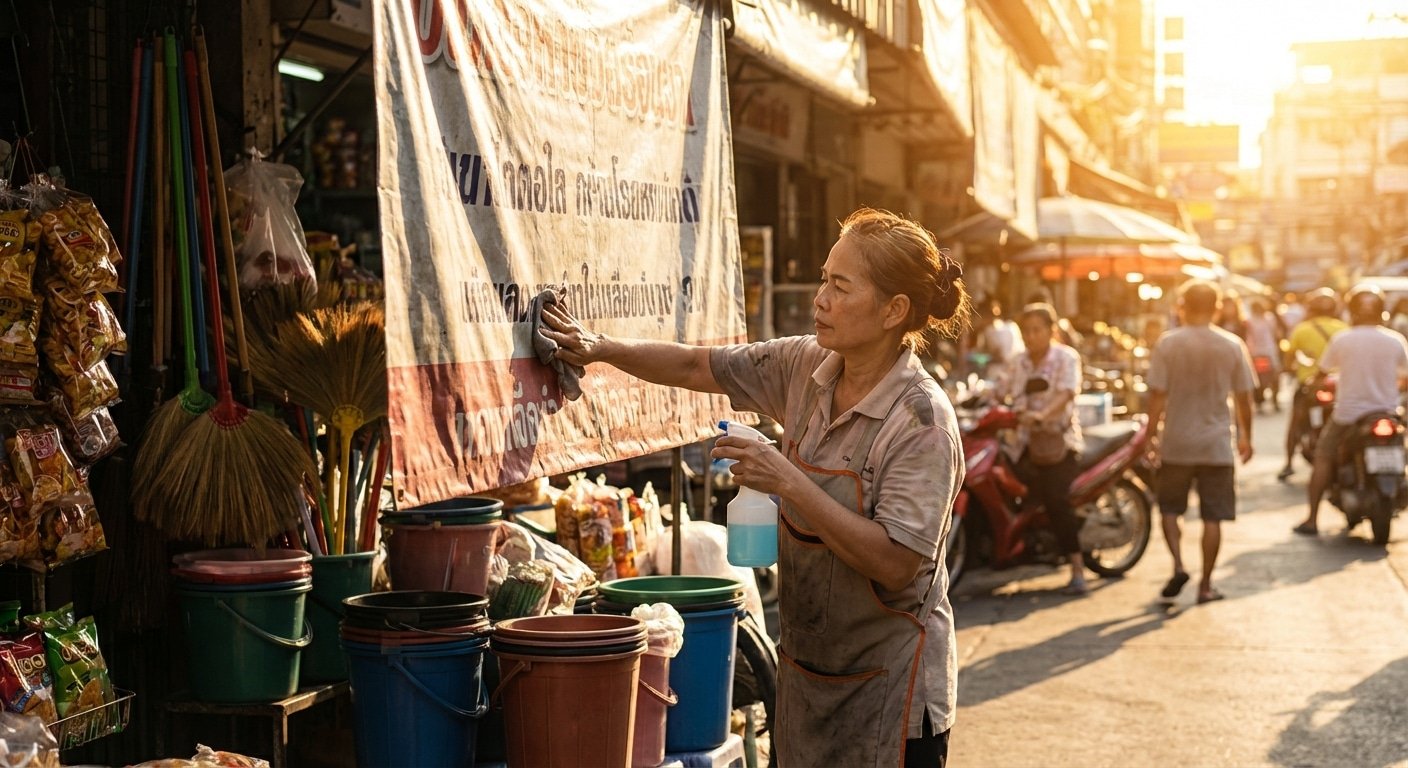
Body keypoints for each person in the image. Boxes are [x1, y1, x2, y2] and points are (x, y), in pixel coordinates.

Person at [540, 207, 969, 766]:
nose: (820, 299)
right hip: (806, 674)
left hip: (892, 692)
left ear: (894, 310)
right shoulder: (805, 365)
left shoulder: (920, 422)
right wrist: (598, 348)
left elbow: (896, 563)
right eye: (823, 279)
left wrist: (787, 480)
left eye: (840, 286)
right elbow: (700, 366)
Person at [1146, 281, 1255, 605]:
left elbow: (1156, 396)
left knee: (1169, 508)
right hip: (1216, 444)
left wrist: (1150, 434)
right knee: (1213, 516)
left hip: (1177, 441)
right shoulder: (1231, 344)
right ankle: (1206, 585)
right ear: (1217, 307)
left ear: (1182, 306)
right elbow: (1245, 398)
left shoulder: (1168, 344)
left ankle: (1178, 565)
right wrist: (1247, 436)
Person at [1293, 285, 1408, 535]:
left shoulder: (1343, 339)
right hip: (1388, 412)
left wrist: (1314, 384)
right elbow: (1405, 377)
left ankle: (1312, 518)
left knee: (1323, 456)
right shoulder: (1395, 340)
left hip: (1348, 414)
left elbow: (1322, 374)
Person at [995, 302, 1088, 594]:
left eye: (1037, 330)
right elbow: (999, 390)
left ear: (1051, 331)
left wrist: (1042, 415)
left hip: (1057, 443)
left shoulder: (1065, 358)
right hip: (1021, 443)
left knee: (1056, 500)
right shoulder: (1018, 361)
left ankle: (1077, 569)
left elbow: (1066, 393)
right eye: (1026, 331)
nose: (1031, 336)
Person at [1278, 289, 1347, 480]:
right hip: (1337, 386)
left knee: (1295, 423)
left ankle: (1289, 463)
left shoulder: (1302, 329)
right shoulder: (1343, 328)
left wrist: (1289, 368)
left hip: (1309, 386)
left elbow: (1289, 358)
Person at [1244, 297, 1284, 412]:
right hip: (1266, 352)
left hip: (1258, 352)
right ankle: (1270, 401)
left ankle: (1264, 401)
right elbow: (1276, 333)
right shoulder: (1266, 319)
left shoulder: (1258, 319)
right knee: (1271, 377)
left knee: (1263, 378)